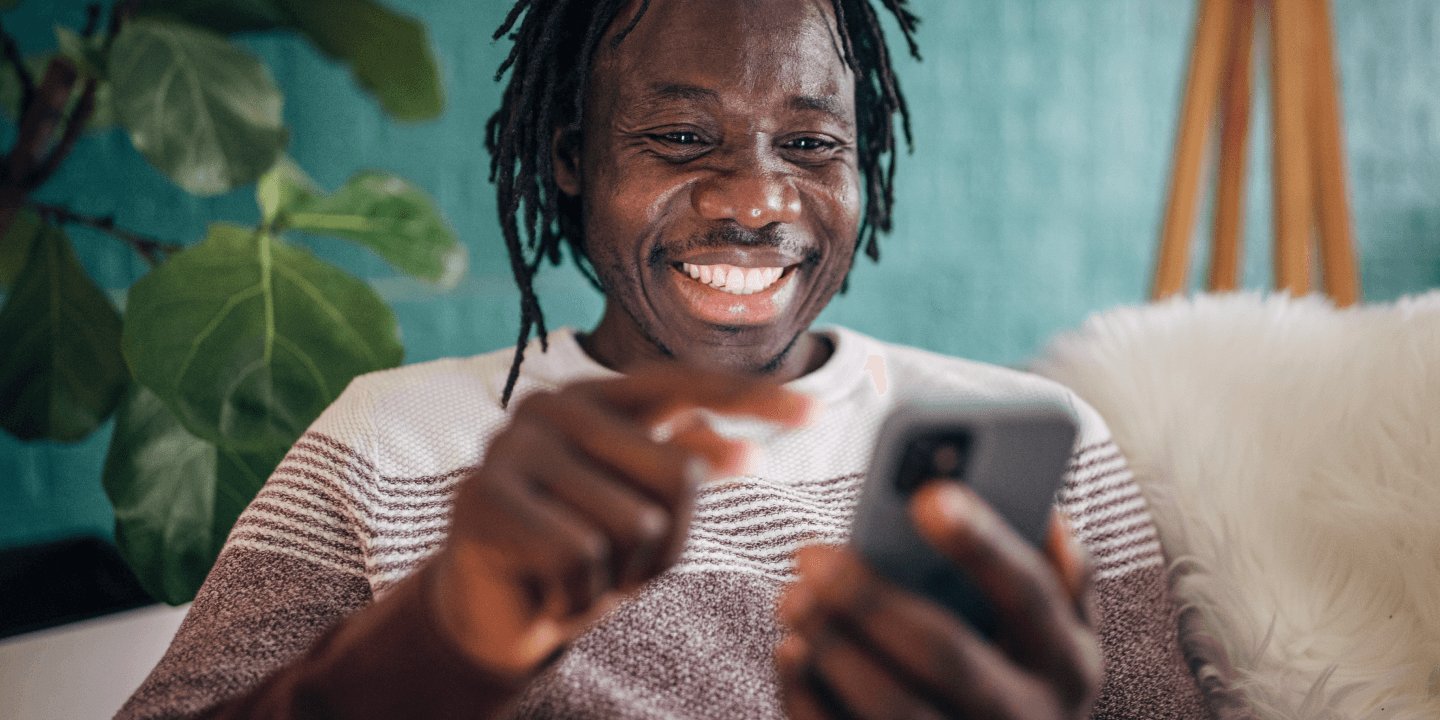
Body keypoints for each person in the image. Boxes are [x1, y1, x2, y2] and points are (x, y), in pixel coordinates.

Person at [117, 0, 1216, 718]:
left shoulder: (1028, 444)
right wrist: (444, 635)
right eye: (682, 139)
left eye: (812, 144)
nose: (754, 200)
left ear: (863, 171)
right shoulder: (392, 445)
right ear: (572, 162)